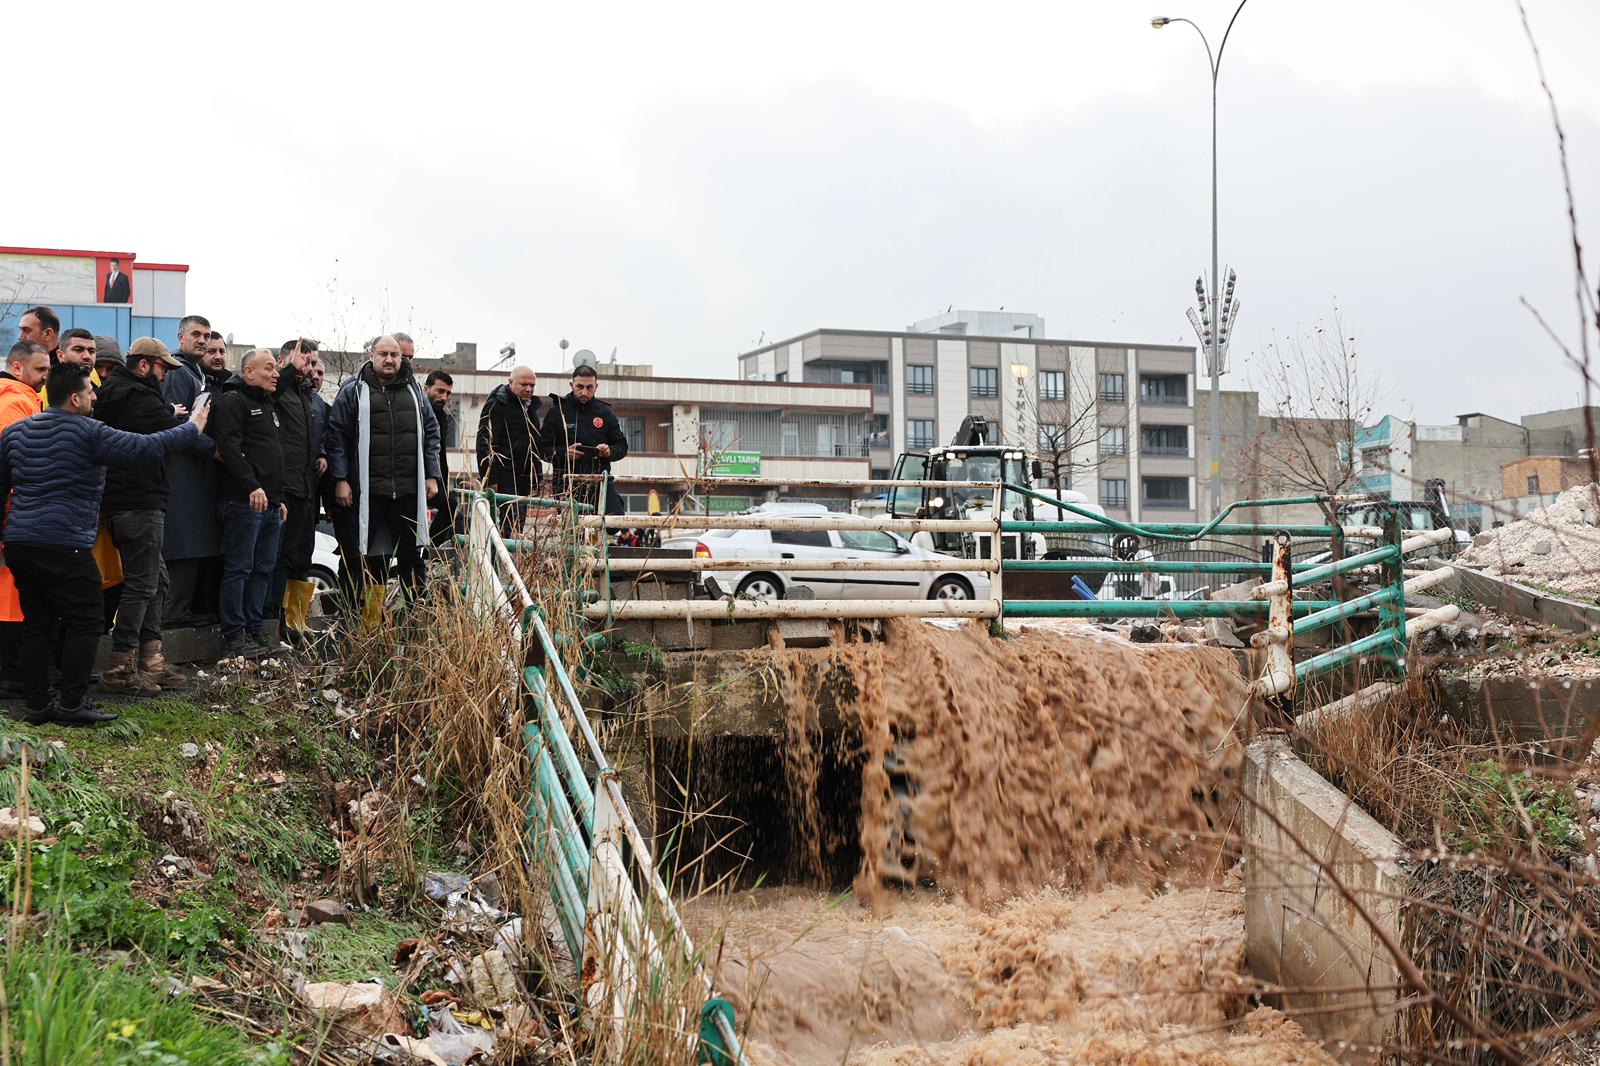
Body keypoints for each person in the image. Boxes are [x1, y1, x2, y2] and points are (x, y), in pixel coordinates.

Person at [0, 364, 208, 725]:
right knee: (87, 618)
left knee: (38, 621)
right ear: (76, 397)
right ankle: (71, 704)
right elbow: (147, 446)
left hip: (21, 543)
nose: (96, 396)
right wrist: (192, 428)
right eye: (90, 391)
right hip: (65, 543)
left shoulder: (15, 433)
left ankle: (36, 706)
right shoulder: (90, 432)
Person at [94, 338, 193, 693]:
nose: (165, 375)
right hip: (140, 502)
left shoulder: (113, 393)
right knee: (142, 585)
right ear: (143, 365)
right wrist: (191, 420)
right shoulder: (139, 398)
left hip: (125, 503)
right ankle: (119, 667)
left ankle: (151, 660)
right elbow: (173, 434)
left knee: (157, 581)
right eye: (162, 368)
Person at [324, 336, 440, 625]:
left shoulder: (415, 391)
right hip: (367, 492)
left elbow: (431, 433)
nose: (390, 360)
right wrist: (340, 478)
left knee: (412, 558)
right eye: (384, 354)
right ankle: (355, 621)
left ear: (402, 358)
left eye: (395, 355)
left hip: (406, 492)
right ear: (371, 355)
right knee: (358, 558)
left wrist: (432, 473)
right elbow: (336, 436)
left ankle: (416, 620)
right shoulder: (353, 390)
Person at [210, 350, 286, 658]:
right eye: (269, 368)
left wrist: (277, 499)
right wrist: (252, 486)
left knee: (263, 569)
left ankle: (255, 632)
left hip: (270, 505)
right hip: (242, 501)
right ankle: (235, 636)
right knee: (240, 568)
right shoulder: (232, 401)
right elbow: (227, 447)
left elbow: (269, 456)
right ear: (249, 372)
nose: (276, 373)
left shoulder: (267, 405)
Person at [161, 314, 221, 625]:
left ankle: (181, 612)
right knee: (183, 543)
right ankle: (172, 616)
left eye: (206, 335)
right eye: (196, 334)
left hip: (195, 477)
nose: (202, 340)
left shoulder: (195, 373)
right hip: (181, 476)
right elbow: (175, 423)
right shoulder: (178, 373)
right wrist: (212, 448)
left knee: (193, 543)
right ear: (181, 337)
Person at [0, 342, 49, 702]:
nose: (46, 378)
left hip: (14, 513)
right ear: (17, 368)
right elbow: (19, 464)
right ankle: (13, 676)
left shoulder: (19, 399)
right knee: (12, 596)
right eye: (40, 371)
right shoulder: (16, 403)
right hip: (15, 515)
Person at [269, 339, 324, 645]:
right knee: (280, 558)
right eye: (306, 361)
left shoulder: (308, 398)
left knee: (300, 557)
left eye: (315, 363)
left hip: (306, 491)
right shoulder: (278, 390)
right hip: (285, 490)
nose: (311, 368)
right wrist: (291, 367)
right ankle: (273, 625)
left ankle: (296, 622)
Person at [540, 365, 629, 515]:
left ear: (596, 386)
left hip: (599, 481)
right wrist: (564, 454)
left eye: (589, 387)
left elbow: (622, 446)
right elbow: (541, 448)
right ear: (571, 385)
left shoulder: (605, 412)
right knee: (574, 531)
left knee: (615, 518)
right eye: (579, 386)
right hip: (566, 484)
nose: (584, 392)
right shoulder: (557, 412)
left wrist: (608, 452)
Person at [475, 367, 542, 534]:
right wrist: (489, 478)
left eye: (532, 385)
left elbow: (534, 444)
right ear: (510, 382)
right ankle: (498, 559)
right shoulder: (498, 404)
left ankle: (509, 559)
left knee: (516, 527)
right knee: (507, 526)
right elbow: (485, 442)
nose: (529, 389)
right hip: (504, 477)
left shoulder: (530, 407)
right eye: (524, 384)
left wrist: (537, 475)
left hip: (524, 478)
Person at [423, 370, 459, 551]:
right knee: (450, 505)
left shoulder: (442, 416)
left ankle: (430, 549)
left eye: (448, 393)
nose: (444, 397)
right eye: (440, 391)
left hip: (436, 477)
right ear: (426, 389)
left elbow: (440, 453)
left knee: (451, 505)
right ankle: (428, 550)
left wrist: (441, 481)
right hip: (418, 476)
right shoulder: (420, 412)